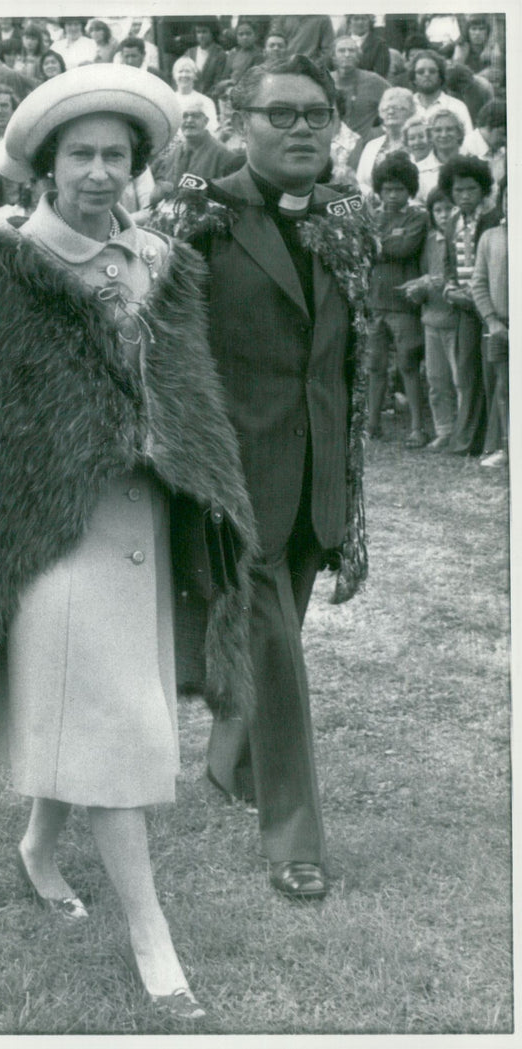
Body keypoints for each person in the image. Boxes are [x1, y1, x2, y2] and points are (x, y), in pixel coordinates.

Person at [0, 62, 258, 1019]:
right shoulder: (8, 265)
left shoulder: (159, 260)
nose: (99, 173)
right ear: (46, 169)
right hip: (52, 536)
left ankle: (36, 846)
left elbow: (187, 390)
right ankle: (153, 937)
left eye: (115, 155)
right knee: (116, 729)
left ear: (137, 164)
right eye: (80, 156)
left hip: (148, 526)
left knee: (96, 713)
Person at [167, 56, 376, 901]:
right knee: (281, 656)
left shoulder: (345, 219)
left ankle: (227, 763)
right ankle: (295, 834)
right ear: (235, 120)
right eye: (280, 114)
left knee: (273, 634)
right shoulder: (201, 219)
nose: (301, 129)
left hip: (317, 475)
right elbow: (171, 355)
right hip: (233, 482)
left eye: (317, 116)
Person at [364, 154, 428, 446]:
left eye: (399, 189)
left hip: (403, 304)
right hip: (375, 303)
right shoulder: (373, 216)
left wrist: (378, 243)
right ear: (379, 189)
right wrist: (385, 242)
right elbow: (362, 247)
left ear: (410, 190)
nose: (392, 195)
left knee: (408, 365)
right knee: (375, 367)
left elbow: (405, 248)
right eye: (387, 189)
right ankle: (373, 424)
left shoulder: (417, 216)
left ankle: (417, 427)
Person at [440, 155, 500, 457]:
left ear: (483, 190)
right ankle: (467, 440)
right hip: (463, 306)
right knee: (467, 372)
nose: (464, 196)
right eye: (458, 190)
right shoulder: (452, 221)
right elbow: (450, 262)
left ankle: (493, 442)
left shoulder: (493, 219)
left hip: (488, 305)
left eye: (471, 190)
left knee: (490, 372)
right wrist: (450, 288)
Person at [400, 187, 458, 451]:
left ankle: (462, 430)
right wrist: (418, 293)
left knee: (460, 379)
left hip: (456, 319)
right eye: (438, 210)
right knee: (436, 380)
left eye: (449, 208)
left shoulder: (459, 237)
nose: (445, 215)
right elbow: (426, 272)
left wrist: (430, 283)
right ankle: (443, 429)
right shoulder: (430, 240)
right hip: (431, 318)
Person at [471, 177, 508, 468]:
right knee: (505, 389)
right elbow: (479, 283)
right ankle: (508, 448)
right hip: (499, 327)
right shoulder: (491, 237)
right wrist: (493, 321)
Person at [356, 87, 416, 198]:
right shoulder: (371, 146)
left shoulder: (416, 144)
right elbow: (360, 182)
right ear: (380, 112)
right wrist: (372, 196)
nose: (391, 112)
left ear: (411, 112)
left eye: (399, 108)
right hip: (375, 206)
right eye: (386, 108)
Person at [331, 36, 390, 139]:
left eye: (351, 51)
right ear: (333, 57)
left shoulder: (374, 81)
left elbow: (398, 103)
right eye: (341, 51)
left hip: (364, 147)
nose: (347, 54)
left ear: (358, 56)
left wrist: (378, 132)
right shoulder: (325, 81)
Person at [409, 50, 473, 135]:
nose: (426, 74)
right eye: (421, 72)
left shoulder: (457, 107)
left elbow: (467, 142)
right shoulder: (406, 106)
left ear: (440, 76)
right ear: (414, 78)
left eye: (432, 71)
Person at [172, 56, 217, 133]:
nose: (184, 75)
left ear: (195, 76)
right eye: (180, 71)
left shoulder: (206, 101)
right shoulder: (169, 99)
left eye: (188, 71)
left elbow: (212, 129)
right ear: (174, 76)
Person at [185, 22, 227, 97]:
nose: (201, 35)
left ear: (212, 33)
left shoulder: (220, 54)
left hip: (211, 98)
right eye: (198, 32)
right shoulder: (190, 52)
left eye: (204, 32)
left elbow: (218, 82)